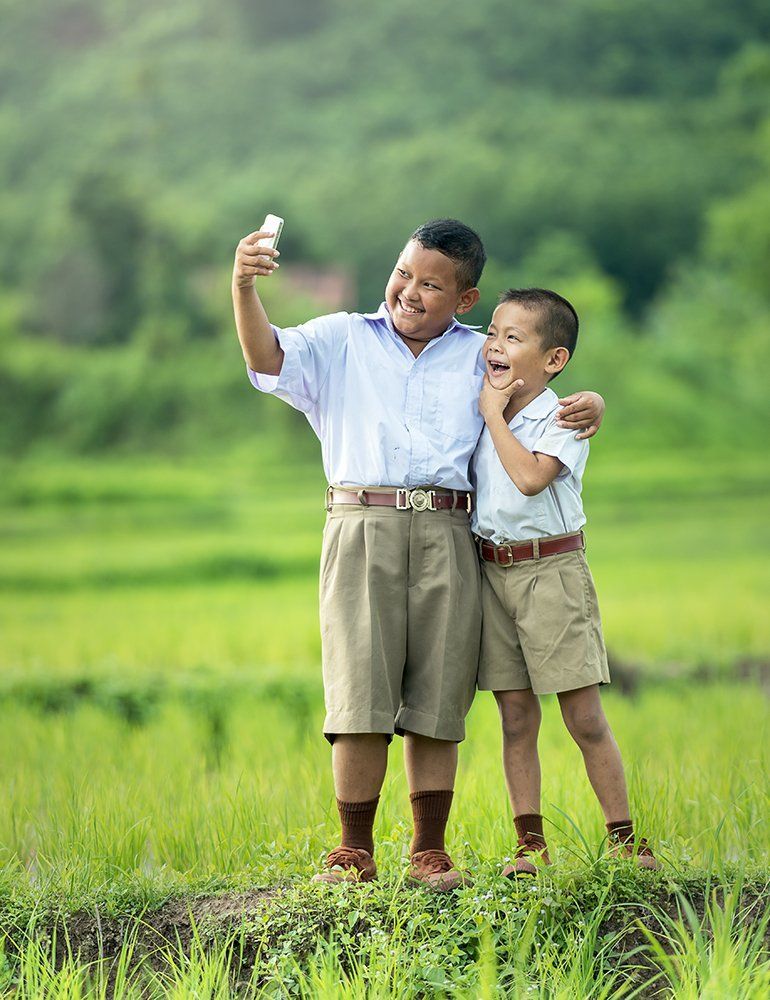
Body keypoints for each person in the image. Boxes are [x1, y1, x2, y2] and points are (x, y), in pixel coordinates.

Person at [231, 221, 605, 890]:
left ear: (465, 300)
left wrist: (594, 402)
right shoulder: (341, 337)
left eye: (432, 284)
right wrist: (243, 285)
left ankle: (429, 852)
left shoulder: (479, 356)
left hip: (450, 532)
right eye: (405, 272)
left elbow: (540, 392)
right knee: (359, 688)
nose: (410, 290)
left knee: (438, 691)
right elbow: (265, 358)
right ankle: (353, 849)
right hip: (361, 522)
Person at [471, 287, 657, 876]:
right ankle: (530, 847)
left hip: (550, 571)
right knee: (516, 716)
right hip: (490, 573)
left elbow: (529, 479)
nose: (495, 346)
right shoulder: (481, 397)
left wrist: (493, 417)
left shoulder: (561, 416)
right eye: (492, 333)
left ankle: (625, 841)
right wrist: (489, 409)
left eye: (513, 337)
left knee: (583, 716)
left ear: (554, 360)